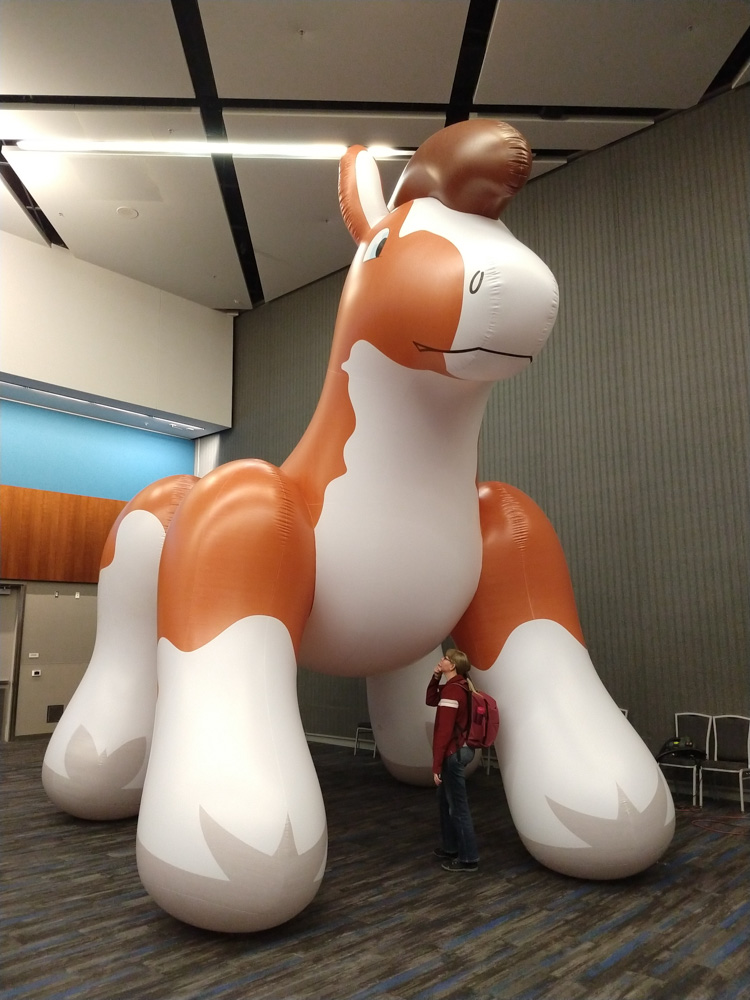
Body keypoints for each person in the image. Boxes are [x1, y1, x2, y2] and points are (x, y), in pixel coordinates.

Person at [426, 648, 479, 872]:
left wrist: (436, 766)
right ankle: (450, 848)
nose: (443, 659)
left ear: (454, 666)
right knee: (445, 801)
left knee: (457, 806)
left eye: (446, 659)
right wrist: (436, 676)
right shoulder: (458, 686)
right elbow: (430, 699)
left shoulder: (452, 693)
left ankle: (468, 859)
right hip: (462, 750)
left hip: (453, 754)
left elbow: (443, 733)